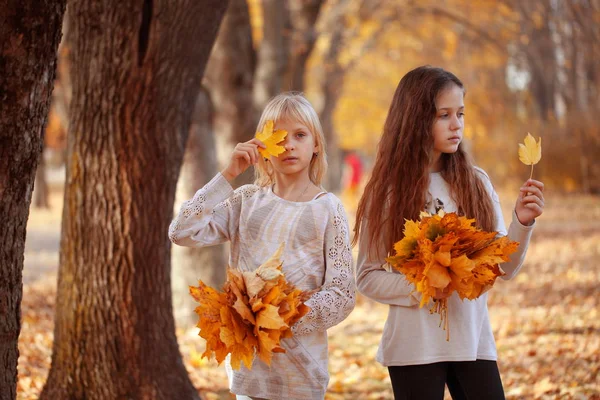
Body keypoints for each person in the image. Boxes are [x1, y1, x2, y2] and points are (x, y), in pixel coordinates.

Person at [353, 66, 545, 400]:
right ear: (414, 119)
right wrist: (422, 286)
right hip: (414, 348)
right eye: (444, 115)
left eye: (460, 114)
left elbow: (505, 267)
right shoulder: (385, 193)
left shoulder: (476, 183)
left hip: (473, 343)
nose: (457, 124)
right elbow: (367, 276)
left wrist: (522, 222)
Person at [169, 92, 355, 400]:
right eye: (278, 137)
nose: (289, 145)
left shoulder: (328, 209)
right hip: (250, 365)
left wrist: (286, 315)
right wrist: (228, 174)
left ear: (316, 144)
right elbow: (182, 231)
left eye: (299, 135)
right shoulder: (247, 200)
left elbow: (342, 293)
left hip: (301, 367)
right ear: (263, 147)